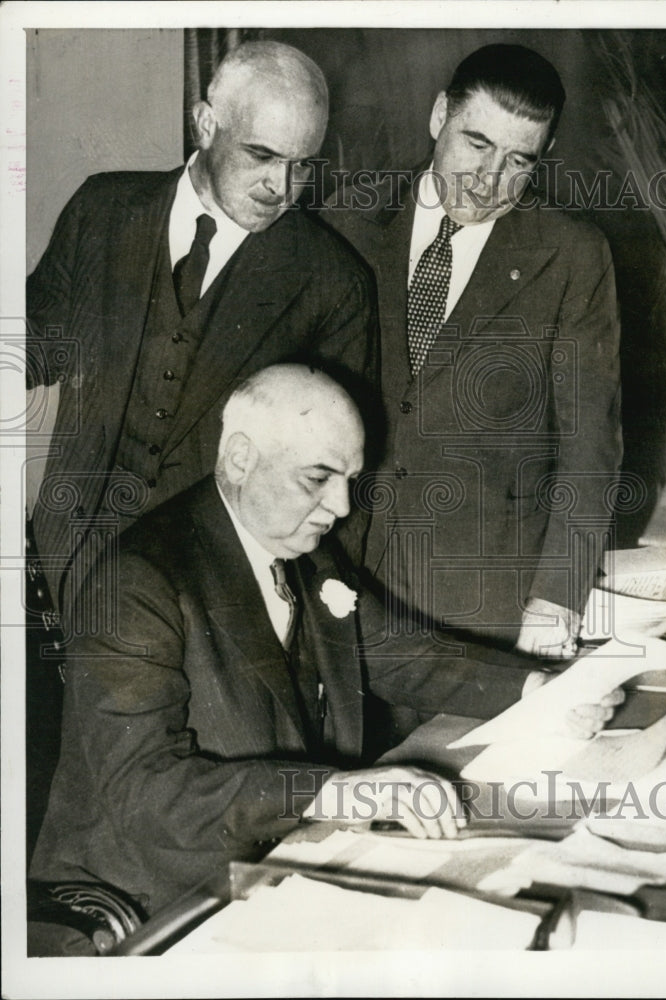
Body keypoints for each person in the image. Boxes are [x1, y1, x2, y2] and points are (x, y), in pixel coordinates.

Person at [30, 365, 623, 927]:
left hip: (278, 864)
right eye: (317, 478)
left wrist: (536, 689)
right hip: (152, 899)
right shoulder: (138, 580)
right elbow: (148, 792)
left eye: (350, 481)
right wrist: (333, 792)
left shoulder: (301, 548)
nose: (340, 507)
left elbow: (399, 653)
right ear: (240, 458)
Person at [26, 40, 378, 617]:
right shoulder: (103, 210)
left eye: (301, 166)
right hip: (66, 561)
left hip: (210, 597)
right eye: (260, 155)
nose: (281, 187)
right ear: (205, 123)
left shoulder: (335, 282)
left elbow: (338, 482)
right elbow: (37, 343)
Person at [324, 44, 622, 660]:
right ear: (439, 117)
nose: (489, 181)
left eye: (519, 161)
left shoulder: (571, 256)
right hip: (337, 578)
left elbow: (590, 449)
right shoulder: (344, 222)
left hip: (479, 606)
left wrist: (557, 602)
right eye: (477, 144)